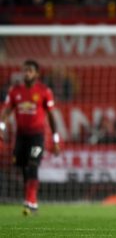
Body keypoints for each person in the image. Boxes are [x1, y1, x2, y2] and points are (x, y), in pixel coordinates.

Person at [0, 60, 60, 216]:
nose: (27, 73)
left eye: (30, 70)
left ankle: (31, 200)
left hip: (37, 137)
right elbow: (7, 110)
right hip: (21, 137)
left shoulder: (44, 91)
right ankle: (31, 201)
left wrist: (55, 139)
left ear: (37, 73)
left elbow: (52, 116)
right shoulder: (15, 91)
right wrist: (1, 126)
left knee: (33, 164)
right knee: (23, 167)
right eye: (25, 70)